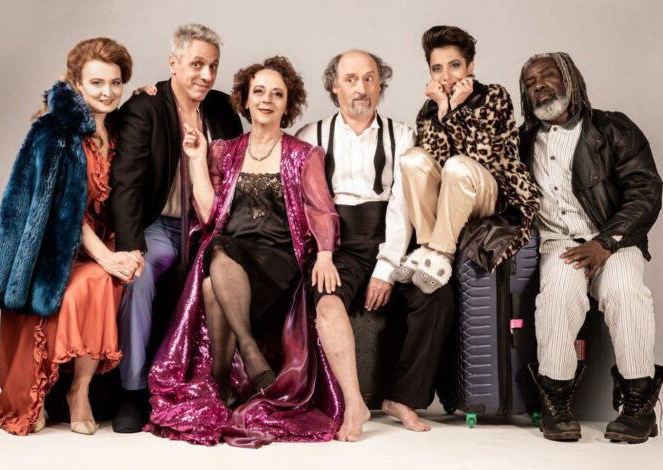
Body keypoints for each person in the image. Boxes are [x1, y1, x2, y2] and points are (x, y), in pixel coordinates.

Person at [146, 56, 342, 447]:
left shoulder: (304, 154)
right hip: (230, 262)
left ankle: (231, 372)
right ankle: (231, 374)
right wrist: (198, 160)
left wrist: (324, 254)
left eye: (277, 94)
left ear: (288, 105)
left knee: (216, 262)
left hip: (279, 266)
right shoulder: (225, 150)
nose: (267, 100)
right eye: (259, 92)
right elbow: (209, 215)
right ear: (246, 100)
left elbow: (323, 210)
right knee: (214, 265)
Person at [296, 50, 455, 440]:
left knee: (436, 296)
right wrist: (322, 254)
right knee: (326, 302)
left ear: (380, 85)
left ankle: (403, 397)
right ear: (334, 86)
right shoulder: (310, 135)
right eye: (350, 79)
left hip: (391, 239)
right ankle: (354, 402)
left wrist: (386, 269)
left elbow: (402, 205)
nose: (361, 88)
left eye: (369, 79)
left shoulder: (401, 135)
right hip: (337, 246)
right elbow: (308, 205)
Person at [0, 38, 135, 435]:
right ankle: (61, 392)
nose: (108, 92)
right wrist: (107, 258)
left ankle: (82, 390)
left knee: (128, 278)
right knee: (98, 280)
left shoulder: (119, 129)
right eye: (97, 83)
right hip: (55, 250)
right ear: (77, 84)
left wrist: (122, 252)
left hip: (105, 241)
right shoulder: (55, 132)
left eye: (116, 83)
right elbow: (62, 214)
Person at [519, 52, 663, 444]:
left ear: (570, 79)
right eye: (530, 81)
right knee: (557, 298)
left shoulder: (613, 128)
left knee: (627, 293)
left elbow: (645, 192)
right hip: (558, 244)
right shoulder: (522, 141)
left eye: (547, 75)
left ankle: (638, 406)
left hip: (614, 240)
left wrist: (606, 242)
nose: (539, 85)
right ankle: (556, 405)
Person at [109, 24, 243, 432]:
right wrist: (131, 247)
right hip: (159, 227)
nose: (206, 74)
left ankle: (225, 385)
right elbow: (126, 184)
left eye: (213, 66)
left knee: (235, 273)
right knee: (139, 276)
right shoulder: (145, 108)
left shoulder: (222, 109)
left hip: (209, 228)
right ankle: (132, 390)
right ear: (173, 63)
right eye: (197, 64)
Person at [394, 25, 539, 292]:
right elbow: (436, 163)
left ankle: (442, 253)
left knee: (458, 165)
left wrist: (457, 109)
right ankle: (427, 248)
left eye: (455, 65)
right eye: (437, 68)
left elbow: (482, 156)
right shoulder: (430, 108)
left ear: (470, 66)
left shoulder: (494, 96)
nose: (446, 76)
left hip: (493, 195)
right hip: (452, 193)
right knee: (412, 159)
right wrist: (443, 108)